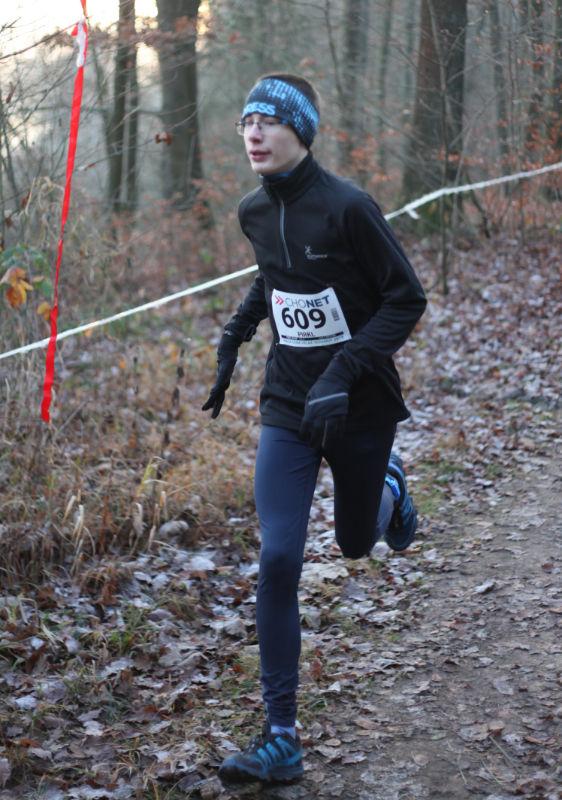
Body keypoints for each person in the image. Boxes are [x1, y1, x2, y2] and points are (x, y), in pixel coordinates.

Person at [202, 73, 427, 784]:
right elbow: (276, 276)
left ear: (300, 131)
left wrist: (344, 370)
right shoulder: (253, 211)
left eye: (268, 120)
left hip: (358, 406)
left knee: (356, 544)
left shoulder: (349, 207)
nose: (254, 132)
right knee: (278, 559)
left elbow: (406, 297)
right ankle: (282, 736)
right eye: (246, 121)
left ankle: (391, 487)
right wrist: (237, 333)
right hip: (289, 406)